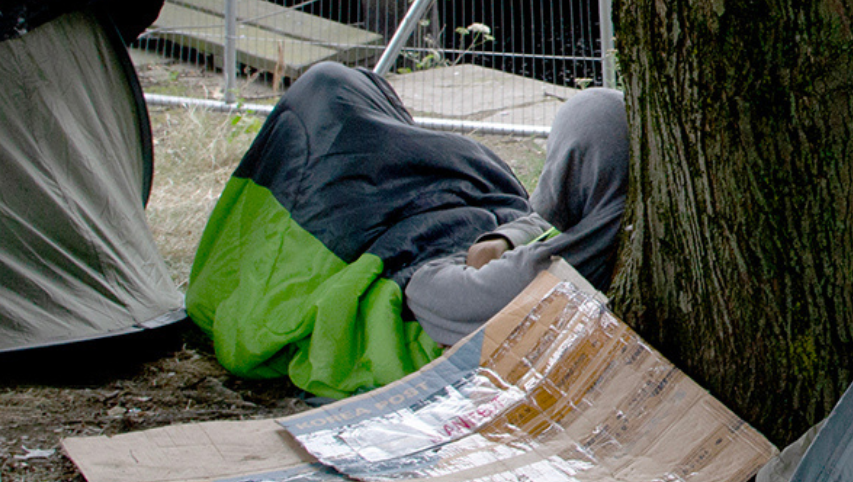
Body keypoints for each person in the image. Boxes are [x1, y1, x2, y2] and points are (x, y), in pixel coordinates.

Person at [187, 62, 628, 398]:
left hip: (406, 240)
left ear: (569, 164)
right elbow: (540, 217)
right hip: (454, 205)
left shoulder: (544, 278)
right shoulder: (604, 219)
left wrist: (477, 248)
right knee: (340, 100)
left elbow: (430, 291)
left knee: (329, 101)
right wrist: (503, 236)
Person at [404, 85, 628, 346]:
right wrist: (506, 237)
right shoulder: (617, 214)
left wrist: (464, 256)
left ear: (566, 165)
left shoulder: (549, 273)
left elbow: (424, 291)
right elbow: (552, 216)